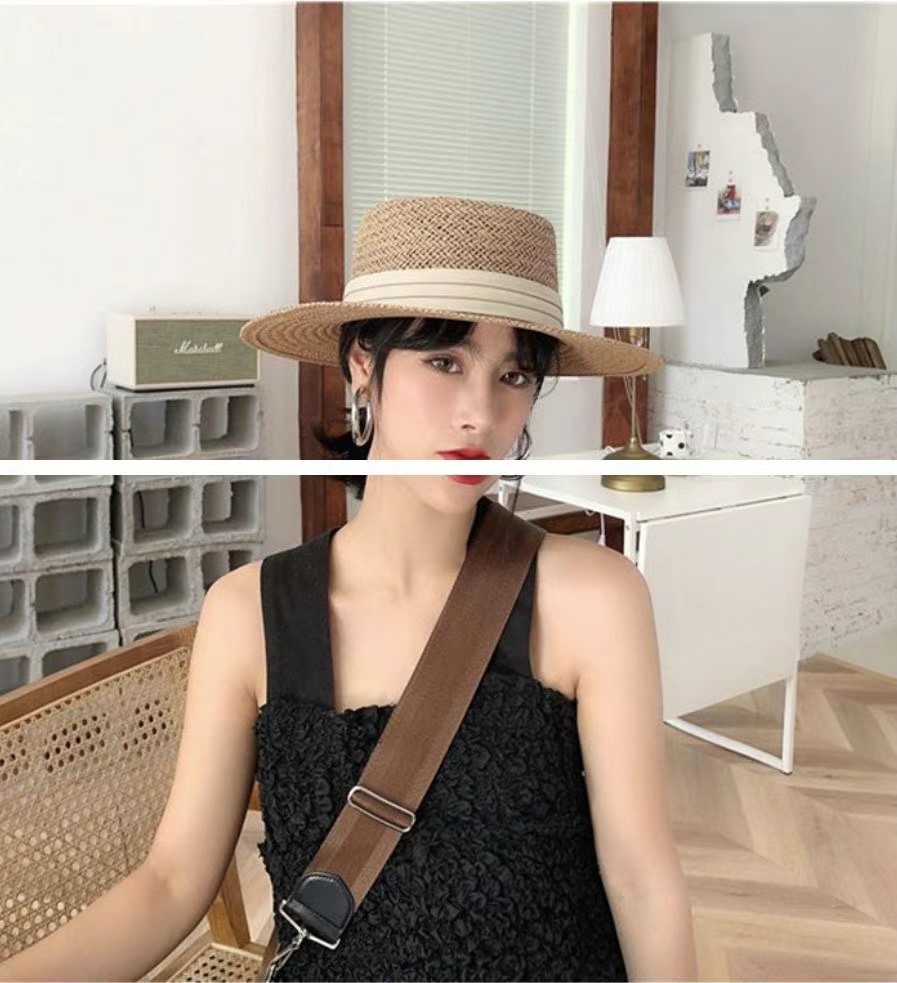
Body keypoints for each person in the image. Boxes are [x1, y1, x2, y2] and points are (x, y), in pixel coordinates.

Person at [0, 197, 697, 982]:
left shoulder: (595, 599)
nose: (480, 412)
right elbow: (170, 883)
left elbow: (642, 881)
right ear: (363, 361)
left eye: (513, 374)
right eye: (445, 361)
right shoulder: (249, 614)